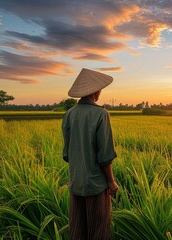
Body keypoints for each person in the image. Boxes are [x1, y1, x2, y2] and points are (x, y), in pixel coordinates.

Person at [62, 68, 119, 240]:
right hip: (96, 185)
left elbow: (67, 154)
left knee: (78, 231)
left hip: (76, 182)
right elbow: (105, 155)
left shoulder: (69, 114)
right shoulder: (101, 114)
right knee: (98, 232)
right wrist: (111, 181)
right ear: (96, 91)